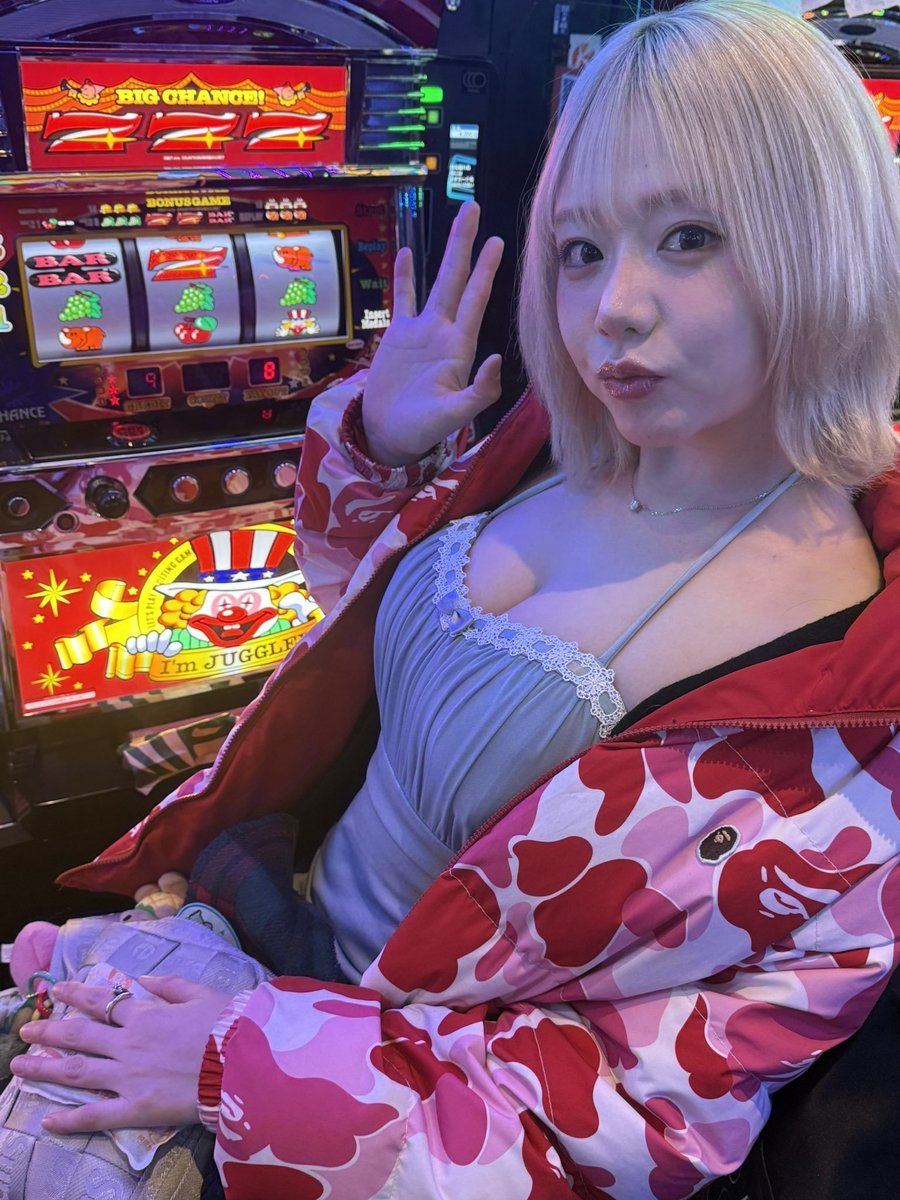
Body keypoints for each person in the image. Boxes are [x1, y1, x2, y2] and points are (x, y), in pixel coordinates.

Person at [9, 0, 900, 1195]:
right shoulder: (551, 443)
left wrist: (236, 1064)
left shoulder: (851, 723)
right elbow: (359, 624)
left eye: (688, 237)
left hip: (367, 1080)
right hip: (260, 908)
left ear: (828, 238)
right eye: (580, 250)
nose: (611, 308)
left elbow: (636, 1124)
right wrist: (380, 443)